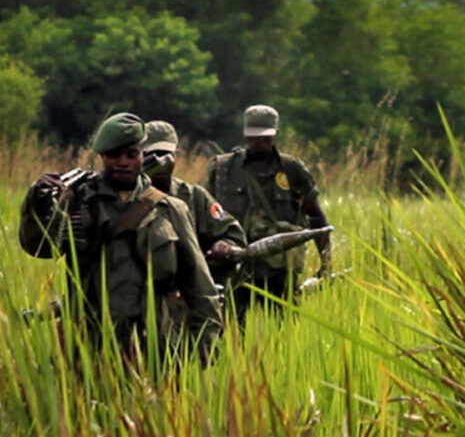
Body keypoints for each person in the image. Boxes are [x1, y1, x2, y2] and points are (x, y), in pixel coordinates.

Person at [19, 112, 222, 361]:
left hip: (152, 347)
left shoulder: (170, 209)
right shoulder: (78, 200)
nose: (123, 162)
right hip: (87, 344)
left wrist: (207, 346)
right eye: (114, 155)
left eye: (131, 154)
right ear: (103, 157)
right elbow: (40, 248)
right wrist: (36, 204)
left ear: (141, 156)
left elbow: (199, 284)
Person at [208, 104, 331, 319]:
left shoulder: (291, 168)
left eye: (265, 138)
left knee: (286, 332)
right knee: (233, 333)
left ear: (276, 135)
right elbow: (205, 217)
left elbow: (315, 217)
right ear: (245, 135)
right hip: (236, 269)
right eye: (254, 137)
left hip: (281, 273)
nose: (259, 143)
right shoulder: (224, 169)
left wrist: (326, 262)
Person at [142, 120, 247, 287]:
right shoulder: (128, 196)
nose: (160, 161)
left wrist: (225, 245)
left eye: (165, 154)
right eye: (151, 155)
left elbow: (232, 234)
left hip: (188, 294)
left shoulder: (194, 196)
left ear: (176, 155)